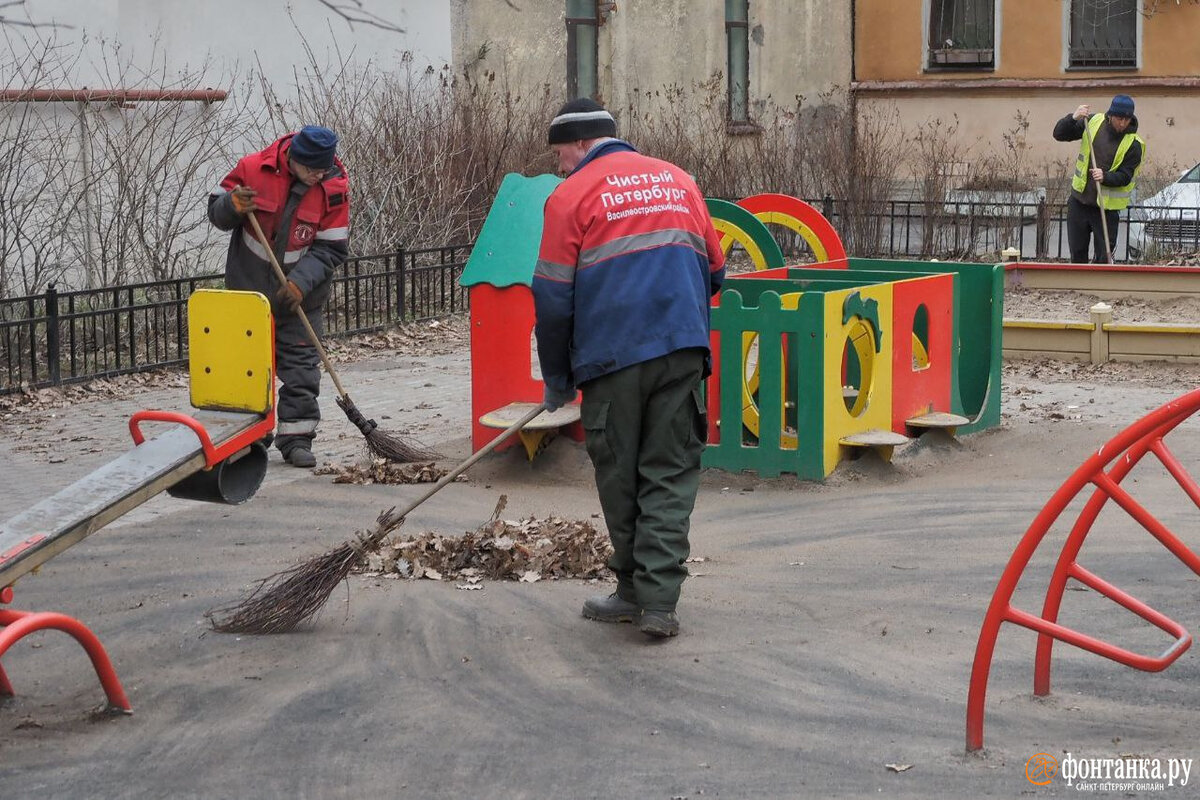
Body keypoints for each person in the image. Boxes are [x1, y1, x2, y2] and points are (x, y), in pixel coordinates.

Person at [531, 98, 726, 638]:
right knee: (668, 471)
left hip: (612, 357)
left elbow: (551, 297)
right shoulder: (678, 181)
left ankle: (634, 591)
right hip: (683, 349)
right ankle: (657, 604)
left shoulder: (570, 195)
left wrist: (556, 377)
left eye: (560, 153)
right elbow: (716, 272)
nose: (559, 165)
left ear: (580, 143)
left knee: (620, 474)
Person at [207, 126, 350, 468]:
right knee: (248, 370)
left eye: (322, 170)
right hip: (248, 290)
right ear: (293, 160)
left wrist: (300, 283)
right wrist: (232, 205)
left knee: (301, 369)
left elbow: (332, 248)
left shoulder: (334, 188)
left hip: (301, 296)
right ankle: (248, 437)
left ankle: (297, 438)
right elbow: (216, 213)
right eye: (311, 169)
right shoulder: (254, 168)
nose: (317, 176)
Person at [1052, 94, 1146, 264]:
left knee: (1104, 258)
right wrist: (1073, 118)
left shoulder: (1134, 143)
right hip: (1079, 202)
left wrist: (1106, 177)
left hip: (1106, 209)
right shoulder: (1092, 122)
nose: (1123, 123)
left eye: (1127, 119)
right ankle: (1079, 289)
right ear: (1110, 115)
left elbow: (1126, 176)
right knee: (1077, 253)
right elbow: (1059, 134)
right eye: (1119, 118)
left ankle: (1101, 289)